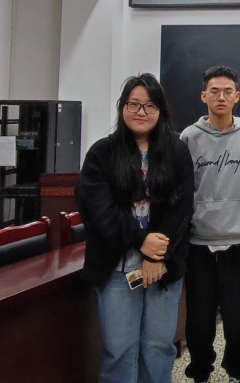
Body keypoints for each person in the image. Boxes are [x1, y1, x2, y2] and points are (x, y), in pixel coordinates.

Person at [76, 73, 194, 383]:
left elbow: (181, 208)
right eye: (133, 104)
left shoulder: (176, 151)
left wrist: (155, 255)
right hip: (116, 267)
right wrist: (141, 241)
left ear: (160, 110)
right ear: (123, 108)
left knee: (158, 347)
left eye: (149, 105)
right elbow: (99, 212)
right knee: (119, 349)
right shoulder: (102, 153)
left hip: (163, 266)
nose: (141, 112)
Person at [180, 65, 240, 383]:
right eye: (214, 91)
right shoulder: (189, 137)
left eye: (228, 91)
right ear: (204, 96)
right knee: (199, 318)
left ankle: (237, 371)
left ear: (237, 96)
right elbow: (184, 188)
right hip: (199, 242)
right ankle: (200, 371)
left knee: (239, 316)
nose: (221, 97)